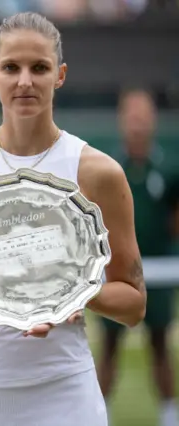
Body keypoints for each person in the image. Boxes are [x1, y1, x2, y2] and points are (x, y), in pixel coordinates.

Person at [0, 12, 146, 426]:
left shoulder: (99, 172)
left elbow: (133, 304)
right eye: (11, 68)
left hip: (61, 389)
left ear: (60, 75)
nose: (24, 81)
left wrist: (74, 289)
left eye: (39, 68)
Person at [97, 88, 179, 426]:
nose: (138, 124)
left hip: (157, 273)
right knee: (109, 346)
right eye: (132, 116)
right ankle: (97, 416)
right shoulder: (107, 168)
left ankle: (169, 415)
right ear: (121, 121)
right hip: (114, 272)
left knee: (160, 345)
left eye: (143, 116)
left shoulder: (169, 169)